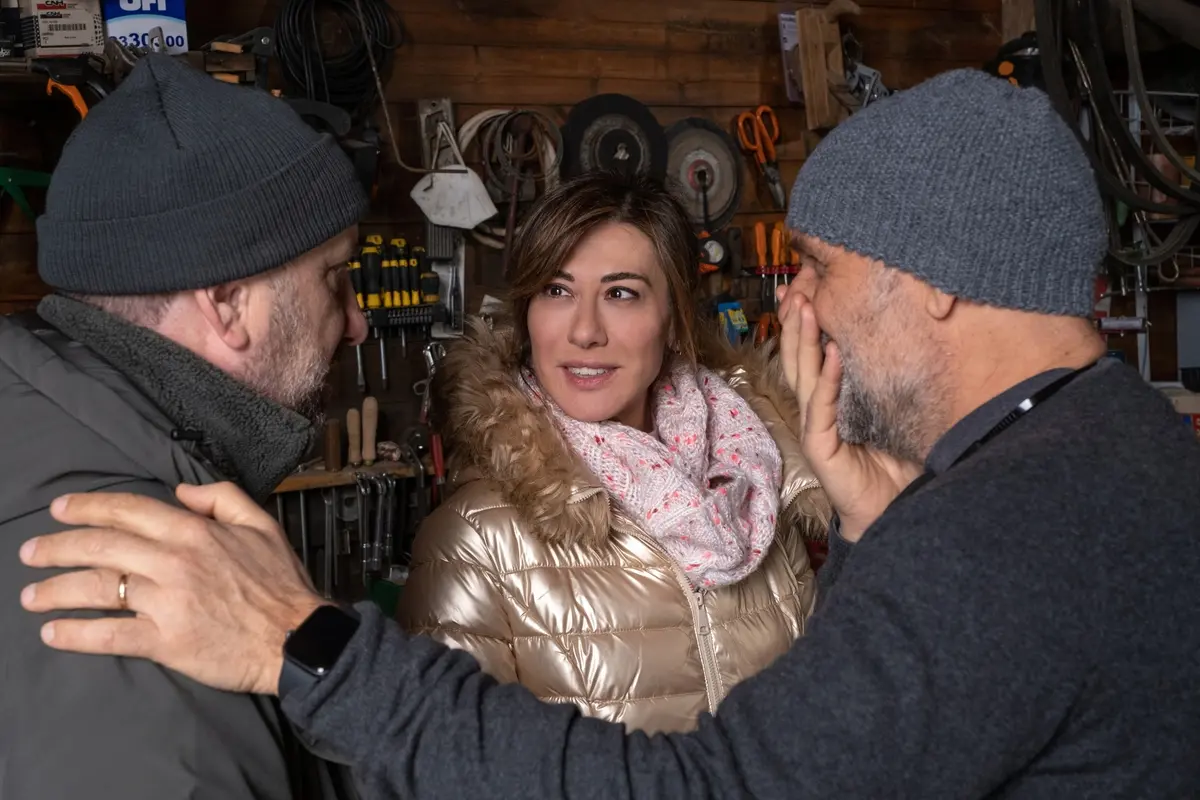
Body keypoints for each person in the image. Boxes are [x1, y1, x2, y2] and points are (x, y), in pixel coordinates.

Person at [18, 69, 1200, 798]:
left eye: (824, 268)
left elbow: (735, 781)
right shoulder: (1126, 454)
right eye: (555, 291)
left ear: (931, 281)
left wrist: (310, 647)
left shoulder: (976, 532)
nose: (801, 305)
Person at [0, 55, 369, 799]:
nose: (358, 323)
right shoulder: (141, 596)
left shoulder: (54, 432)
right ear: (227, 303)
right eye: (335, 276)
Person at [396, 172, 829, 734]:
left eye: (621, 293)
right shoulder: (473, 541)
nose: (584, 331)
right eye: (557, 290)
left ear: (672, 323)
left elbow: (824, 723)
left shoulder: (758, 488)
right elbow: (451, 770)